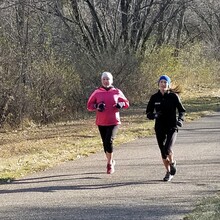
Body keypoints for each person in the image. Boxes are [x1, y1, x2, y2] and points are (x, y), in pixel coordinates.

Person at [87, 72, 129, 174]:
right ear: (101, 81)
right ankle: (111, 160)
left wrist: (121, 104)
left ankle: (109, 163)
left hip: (114, 121)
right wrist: (97, 106)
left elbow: (127, 103)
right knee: (105, 143)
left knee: (109, 140)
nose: (106, 81)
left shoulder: (116, 91)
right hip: (101, 122)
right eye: (104, 79)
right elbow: (89, 106)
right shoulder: (97, 92)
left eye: (108, 79)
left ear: (112, 80)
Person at [146, 75, 186, 181]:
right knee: (163, 152)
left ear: (168, 84)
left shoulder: (173, 97)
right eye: (161, 82)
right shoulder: (154, 97)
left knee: (167, 148)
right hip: (159, 127)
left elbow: (182, 110)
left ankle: (172, 162)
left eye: (165, 82)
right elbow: (148, 113)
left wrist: (180, 120)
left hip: (172, 126)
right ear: (158, 84)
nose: (163, 84)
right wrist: (154, 115)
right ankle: (168, 172)